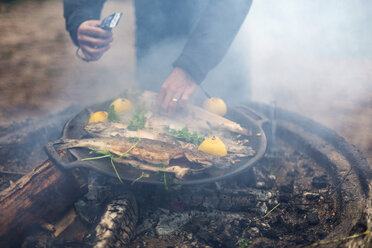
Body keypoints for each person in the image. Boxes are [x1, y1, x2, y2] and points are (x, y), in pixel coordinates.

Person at [63, 0, 252, 114]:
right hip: (153, 46)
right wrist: (80, 16)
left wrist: (192, 66)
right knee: (151, 133)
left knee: (227, 142)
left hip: (216, 51)